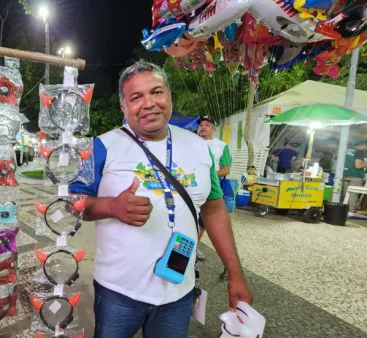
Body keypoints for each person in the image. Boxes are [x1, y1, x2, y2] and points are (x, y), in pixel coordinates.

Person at [70, 60, 252, 338]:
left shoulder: (199, 148)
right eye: (136, 97)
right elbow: (71, 203)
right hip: (119, 292)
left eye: (156, 92)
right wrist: (111, 206)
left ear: (169, 96)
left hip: (178, 292)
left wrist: (235, 273)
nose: (149, 103)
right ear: (124, 107)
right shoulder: (102, 146)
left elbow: (214, 210)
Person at [197, 115, 232, 261]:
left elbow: (226, 170)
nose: (203, 127)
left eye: (207, 125)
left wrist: (208, 175)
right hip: (191, 185)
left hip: (211, 186)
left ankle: (193, 247)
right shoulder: (191, 143)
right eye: (201, 125)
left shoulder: (221, 146)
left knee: (204, 220)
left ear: (213, 129)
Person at [343, 140, 367, 213]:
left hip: (346, 173)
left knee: (346, 193)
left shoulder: (348, 150)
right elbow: (358, 166)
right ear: (363, 145)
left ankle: (344, 209)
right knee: (353, 194)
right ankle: (351, 210)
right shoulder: (359, 152)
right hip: (355, 175)